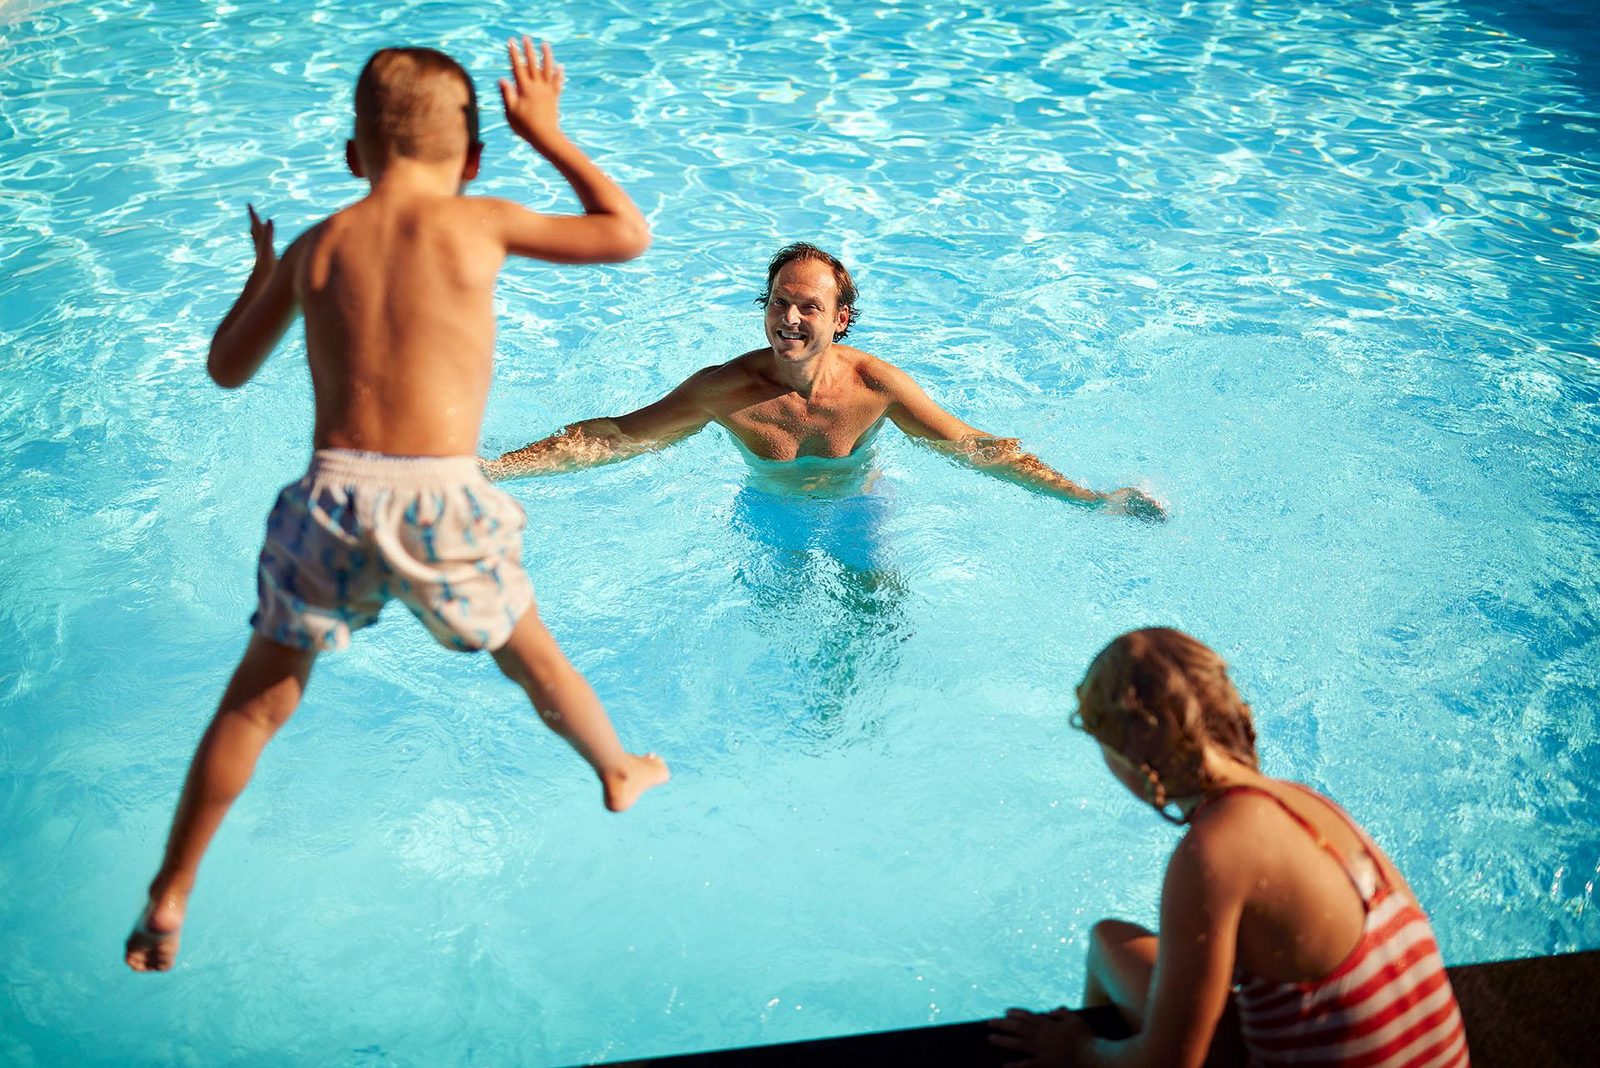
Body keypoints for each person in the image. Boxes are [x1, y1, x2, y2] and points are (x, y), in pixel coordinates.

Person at [124, 39, 670, 974]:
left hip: (332, 496)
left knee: (255, 708)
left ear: (351, 157)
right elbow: (625, 233)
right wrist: (550, 133)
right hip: (442, 496)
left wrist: (265, 274)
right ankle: (616, 768)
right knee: (532, 659)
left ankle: (172, 890)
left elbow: (225, 370)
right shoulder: (480, 221)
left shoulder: (318, 244)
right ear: (472, 160)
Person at [990, 628, 1469, 1068]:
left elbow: (1170, 1063)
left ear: (1131, 755)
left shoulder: (1211, 855)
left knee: (1104, 949)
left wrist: (1077, 1049)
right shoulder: (1303, 801)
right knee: (1115, 945)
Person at [482, 243, 1166, 520]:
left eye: (809, 306)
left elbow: (975, 447)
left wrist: (1088, 498)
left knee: (873, 615)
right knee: (776, 620)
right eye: (780, 301)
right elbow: (616, 437)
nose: (789, 317)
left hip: (857, 508)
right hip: (769, 513)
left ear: (840, 319)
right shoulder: (724, 390)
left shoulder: (877, 387)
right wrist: (492, 470)